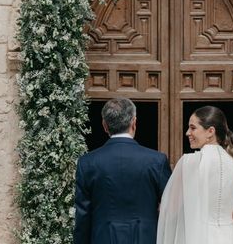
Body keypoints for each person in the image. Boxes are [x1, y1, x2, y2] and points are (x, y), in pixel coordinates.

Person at [74, 97, 172, 244]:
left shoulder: (87, 162)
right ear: (134, 122)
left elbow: (82, 215)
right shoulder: (157, 160)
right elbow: (171, 208)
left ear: (104, 125)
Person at [157, 106, 233, 244]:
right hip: (229, 237)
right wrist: (223, 215)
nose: (187, 133)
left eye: (193, 128)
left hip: (196, 237)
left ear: (210, 131)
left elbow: (171, 209)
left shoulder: (188, 162)